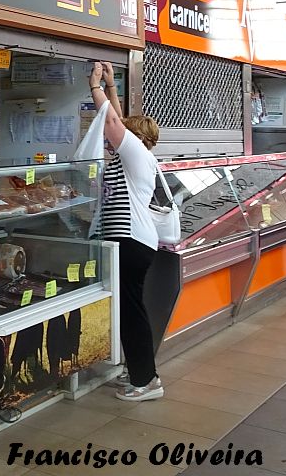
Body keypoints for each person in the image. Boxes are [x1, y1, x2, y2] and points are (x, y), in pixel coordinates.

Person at [88, 61, 163, 402]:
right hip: (132, 241)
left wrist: (95, 87)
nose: (113, 140)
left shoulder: (134, 155)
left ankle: (146, 382)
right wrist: (112, 86)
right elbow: (120, 117)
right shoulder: (135, 157)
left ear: (136, 138)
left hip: (131, 241)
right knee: (130, 308)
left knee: (132, 311)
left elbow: (114, 121)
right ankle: (140, 373)